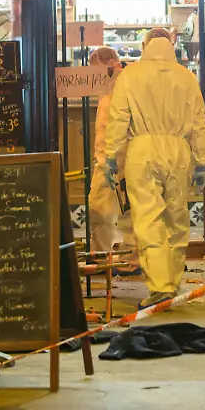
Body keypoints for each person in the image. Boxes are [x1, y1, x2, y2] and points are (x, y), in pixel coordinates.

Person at [103, 28, 205, 307]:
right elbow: (199, 122)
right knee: (177, 219)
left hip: (143, 149)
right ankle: (171, 284)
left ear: (145, 45)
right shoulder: (187, 77)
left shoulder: (131, 75)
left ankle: (160, 286)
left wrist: (111, 156)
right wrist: (202, 161)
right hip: (179, 150)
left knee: (148, 218)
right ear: (172, 44)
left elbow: (118, 117)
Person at [88, 47, 135, 267]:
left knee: (127, 210)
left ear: (109, 62)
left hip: (123, 155)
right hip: (106, 156)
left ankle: (129, 259)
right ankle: (101, 257)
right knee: (100, 206)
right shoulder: (106, 84)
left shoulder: (127, 80)